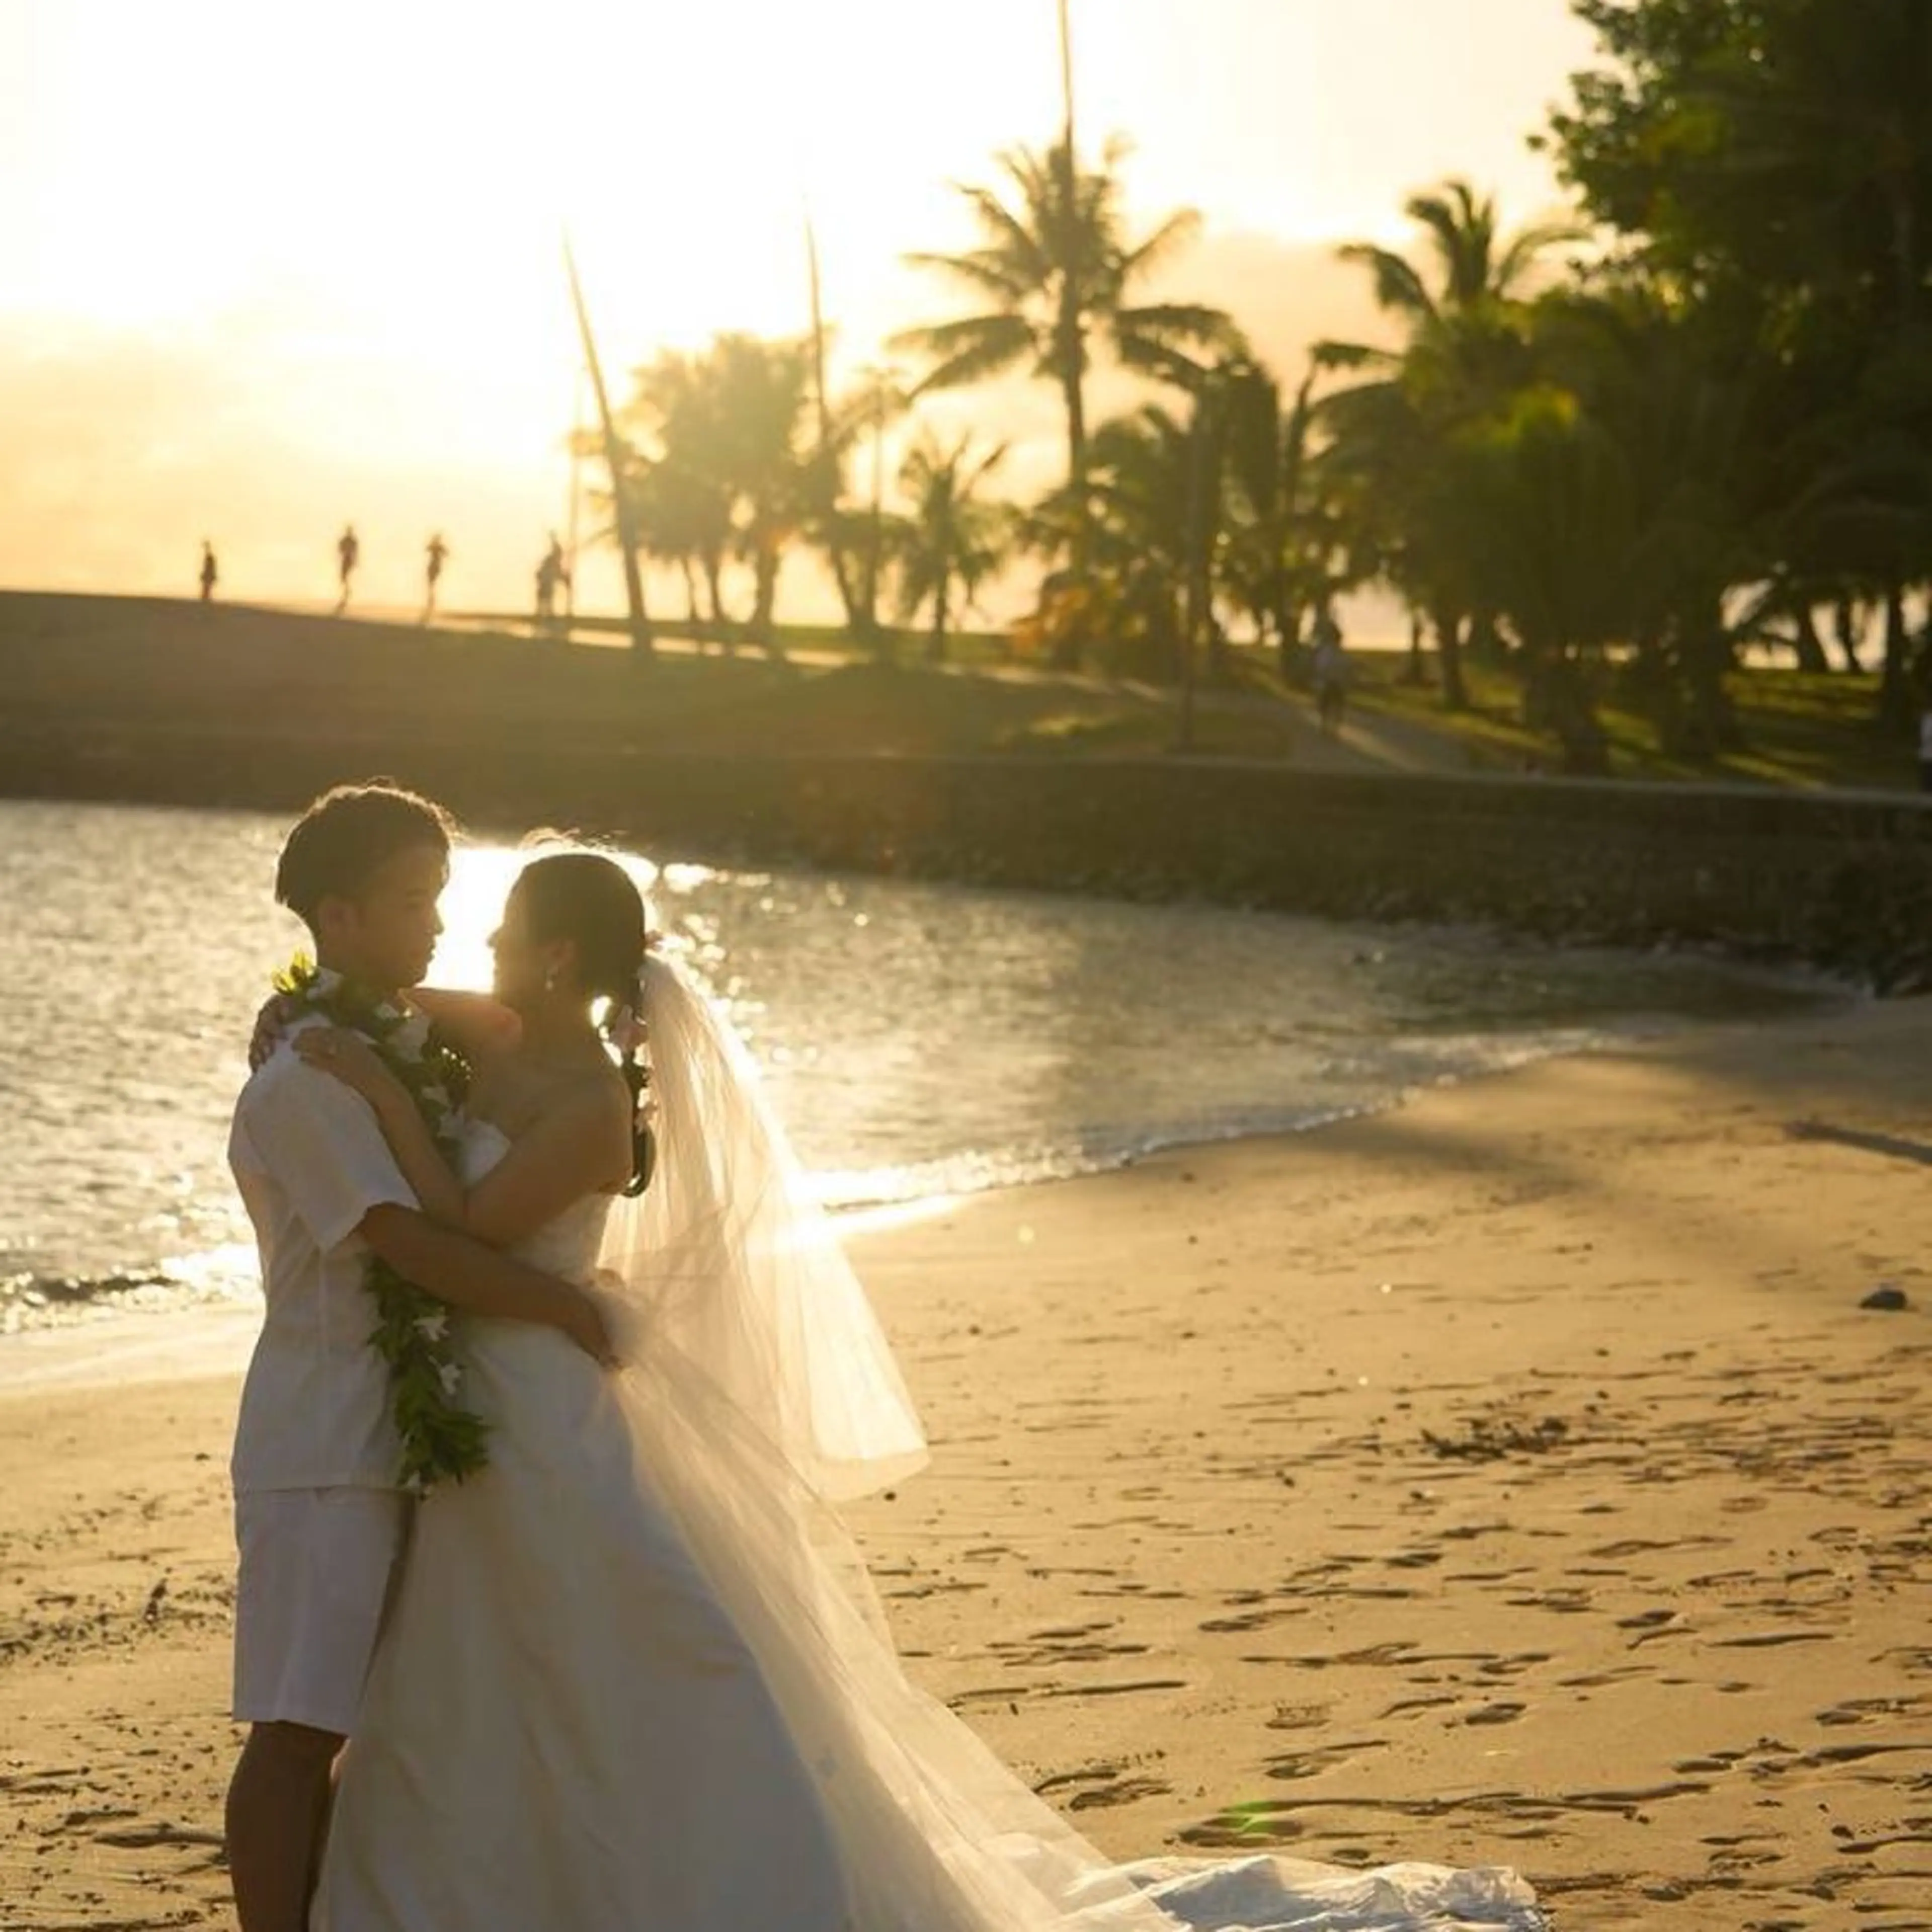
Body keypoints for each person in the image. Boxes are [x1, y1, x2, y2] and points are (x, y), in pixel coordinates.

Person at [285, 845, 1546, 1932]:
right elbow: (398, 1004)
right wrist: (317, 1023)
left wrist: (374, 1085)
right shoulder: (505, 1031)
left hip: (542, 1398)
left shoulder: (595, 1108)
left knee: (620, 1646)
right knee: (475, 1658)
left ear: (557, 957)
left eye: (505, 930)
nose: (484, 945)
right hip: (484, 1388)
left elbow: (458, 1218)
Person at [223, 786, 614, 1932]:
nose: (439, 921)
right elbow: (411, 1241)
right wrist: (560, 1304)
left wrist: (356, 1002)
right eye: (412, 901)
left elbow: (499, 1025)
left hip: (379, 1427)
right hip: (319, 1442)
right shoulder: (310, 1084)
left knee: (366, 1721)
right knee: (297, 1731)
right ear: (336, 915)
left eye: (443, 895)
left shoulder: (374, 1043)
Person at [1312, 606, 1348, 737]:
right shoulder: (1329, 651)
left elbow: (1322, 667)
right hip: (1330, 681)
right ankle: (1328, 727)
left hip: (1332, 681)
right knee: (1329, 705)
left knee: (1332, 705)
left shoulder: (1331, 652)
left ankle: (1330, 728)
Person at [533, 531, 568, 633]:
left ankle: (545, 617)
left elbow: (559, 574)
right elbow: (542, 573)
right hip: (545, 584)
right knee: (545, 601)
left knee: (546, 601)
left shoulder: (554, 562)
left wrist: (566, 580)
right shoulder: (550, 561)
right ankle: (543, 618)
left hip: (546, 585)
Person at [422, 533, 449, 623]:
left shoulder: (436, 546)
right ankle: (432, 599)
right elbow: (447, 554)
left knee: (431, 583)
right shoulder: (438, 546)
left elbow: (427, 549)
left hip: (434, 565)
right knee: (431, 583)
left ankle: (431, 599)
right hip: (435, 565)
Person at [335, 525, 360, 614]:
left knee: (344, 577)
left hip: (348, 560)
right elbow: (340, 548)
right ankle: (347, 592)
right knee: (343, 578)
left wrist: (355, 560)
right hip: (347, 560)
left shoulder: (351, 540)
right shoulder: (349, 540)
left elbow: (354, 551)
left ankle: (347, 593)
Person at [199, 540, 218, 604]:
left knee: (207, 588)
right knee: (207, 588)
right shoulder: (209, 558)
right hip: (208, 576)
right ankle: (206, 598)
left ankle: (206, 599)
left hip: (208, 576)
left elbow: (210, 568)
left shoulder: (209, 559)